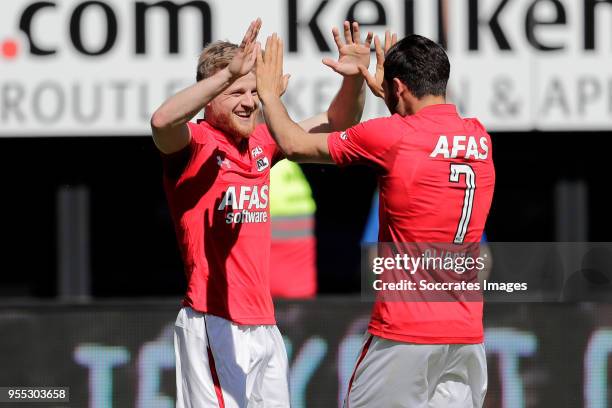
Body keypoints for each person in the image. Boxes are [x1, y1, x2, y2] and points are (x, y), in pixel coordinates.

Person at [256, 32, 495, 407]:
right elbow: (419, 143)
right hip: (466, 335)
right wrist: (390, 97)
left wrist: (269, 94)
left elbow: (294, 145)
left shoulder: (393, 136)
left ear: (396, 87)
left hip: (406, 332)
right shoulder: (480, 137)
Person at [150, 18, 373, 407]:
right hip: (213, 322)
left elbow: (340, 123)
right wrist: (227, 74)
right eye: (236, 90)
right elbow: (162, 120)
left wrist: (352, 79)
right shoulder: (194, 144)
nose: (249, 101)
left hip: (264, 325)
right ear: (211, 97)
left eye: (253, 91)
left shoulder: (262, 143)